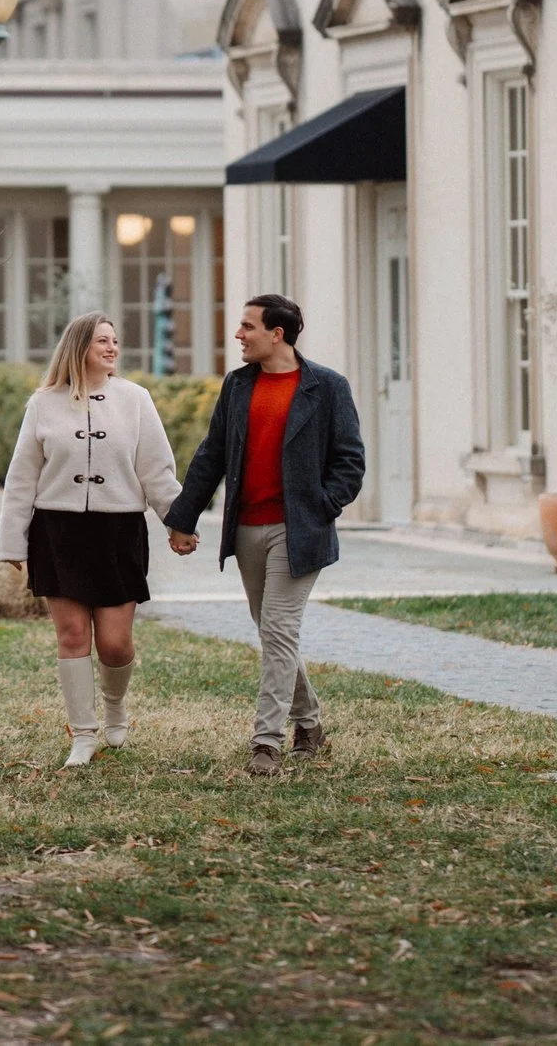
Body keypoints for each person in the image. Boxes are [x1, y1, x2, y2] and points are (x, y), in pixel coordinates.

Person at [162, 294, 367, 776]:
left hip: (299, 533)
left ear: (277, 334)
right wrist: (183, 518)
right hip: (246, 530)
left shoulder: (327, 387)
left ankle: (267, 742)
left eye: (248, 326)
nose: (239, 335)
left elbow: (350, 461)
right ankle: (310, 724)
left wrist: (321, 507)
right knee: (273, 633)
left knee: (278, 630)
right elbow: (212, 454)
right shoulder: (238, 385)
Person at [0, 312, 184, 768]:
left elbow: (156, 469)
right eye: (102, 341)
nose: (112, 348)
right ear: (78, 347)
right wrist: (12, 542)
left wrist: (178, 522)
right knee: (72, 635)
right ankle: (82, 734)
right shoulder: (43, 404)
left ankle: (115, 706)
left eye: (114, 341)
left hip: (118, 531)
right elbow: (22, 477)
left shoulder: (135, 400)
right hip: (57, 532)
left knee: (115, 644)